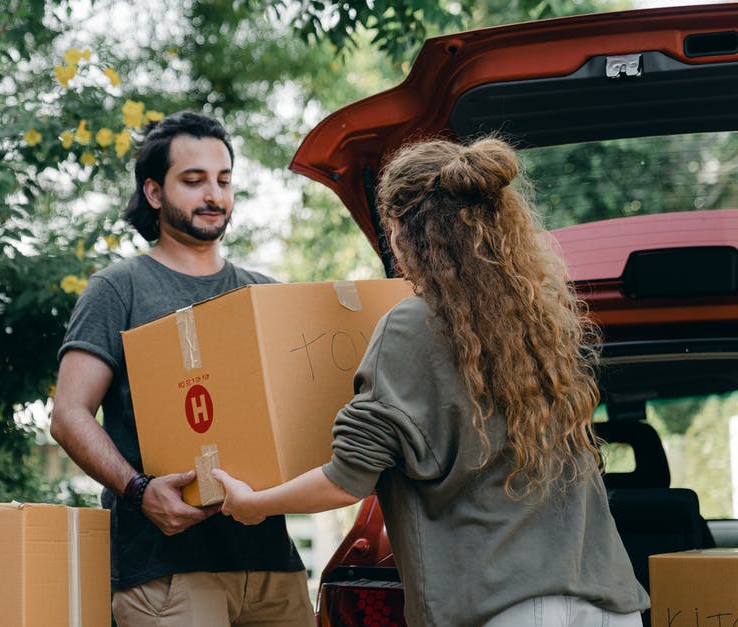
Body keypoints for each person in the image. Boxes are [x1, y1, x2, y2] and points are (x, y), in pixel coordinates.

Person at [211, 137, 650, 626]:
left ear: (401, 232)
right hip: (610, 606)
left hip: (504, 608)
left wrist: (254, 504)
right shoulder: (540, 324)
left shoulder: (410, 327)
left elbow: (346, 481)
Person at [51, 111, 313, 627]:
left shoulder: (266, 295)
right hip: (167, 571)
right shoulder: (118, 289)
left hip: (272, 567)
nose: (213, 194)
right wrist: (141, 491)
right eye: (193, 181)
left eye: (223, 180)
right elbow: (67, 414)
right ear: (153, 193)